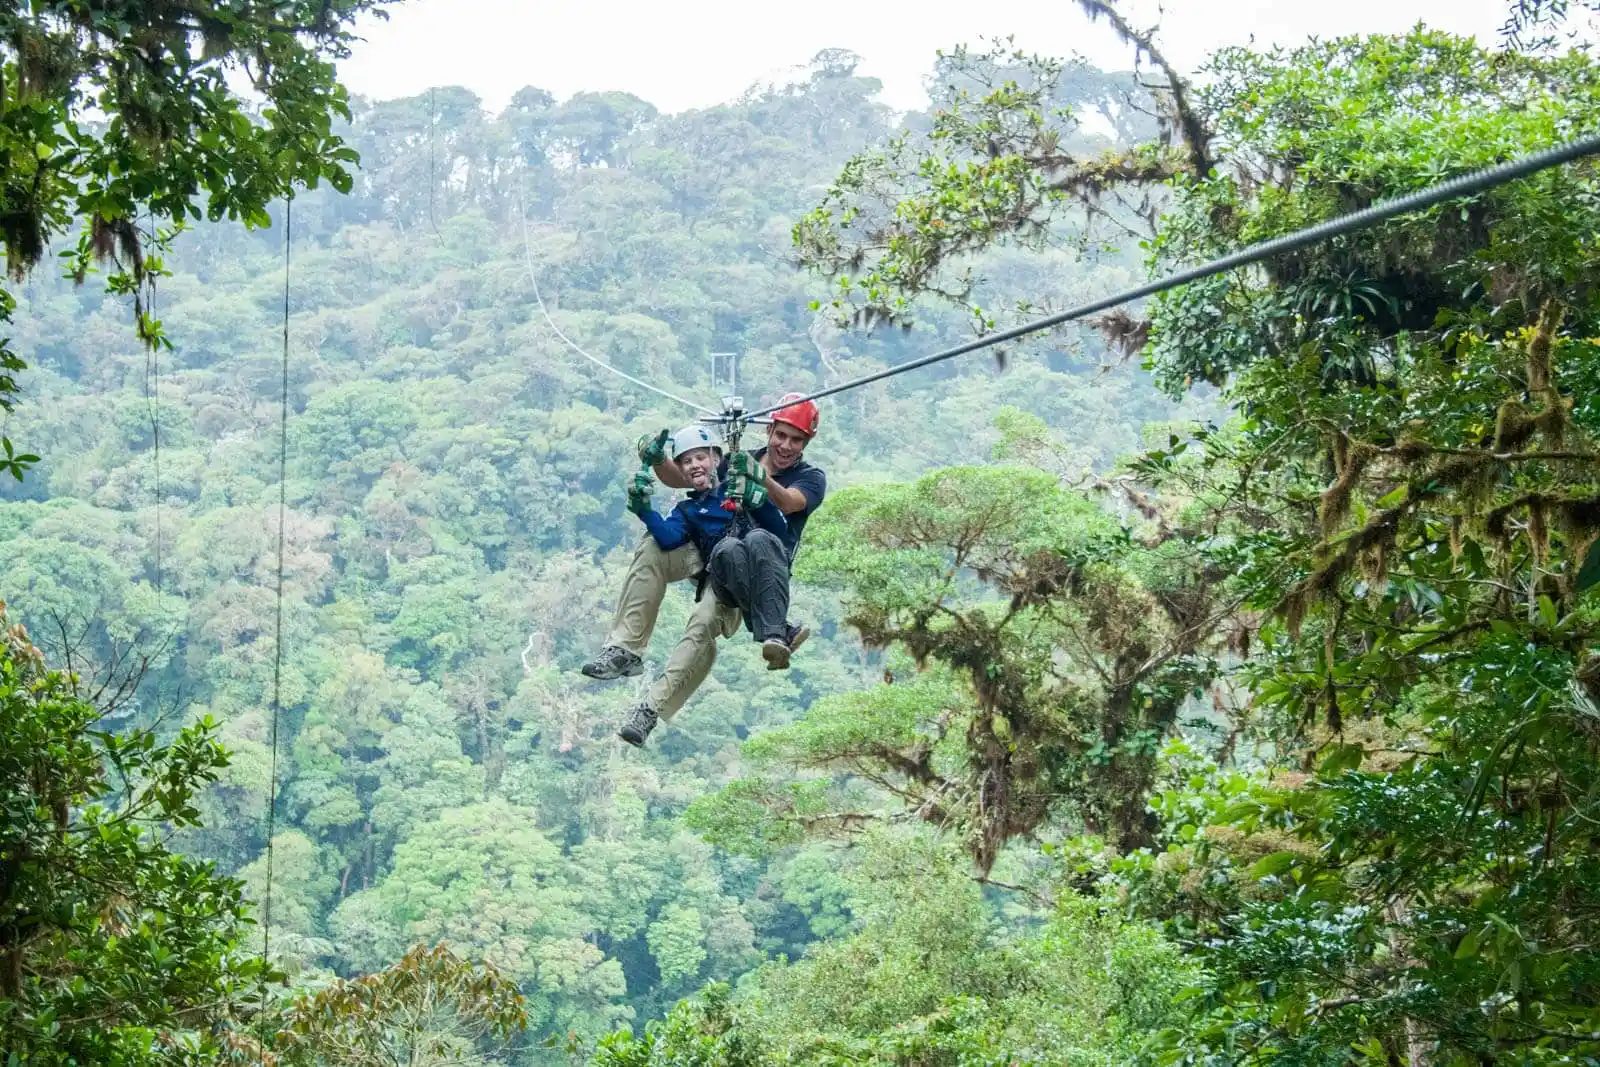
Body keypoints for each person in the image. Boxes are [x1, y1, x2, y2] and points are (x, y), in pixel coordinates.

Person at [582, 394, 827, 746]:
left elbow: (789, 503)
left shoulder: (809, 477)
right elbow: (685, 476)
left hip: (758, 567)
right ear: (770, 430)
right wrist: (655, 460)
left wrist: (759, 481)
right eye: (781, 436)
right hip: (713, 552)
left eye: (796, 439)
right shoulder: (734, 462)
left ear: (807, 442)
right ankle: (625, 648)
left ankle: (650, 710)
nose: (786, 445)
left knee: (702, 623)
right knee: (653, 544)